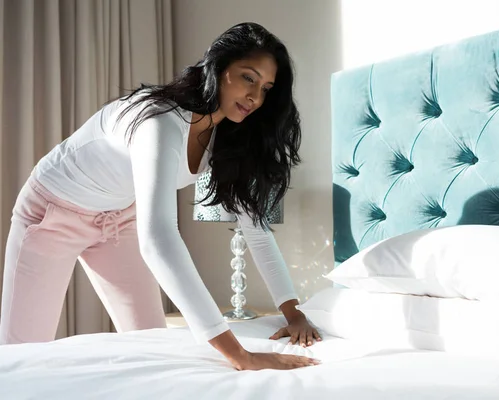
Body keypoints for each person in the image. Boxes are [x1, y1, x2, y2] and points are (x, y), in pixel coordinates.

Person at [0, 22, 321, 371]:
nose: (255, 97)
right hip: (53, 212)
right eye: (248, 78)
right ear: (219, 67)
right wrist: (239, 355)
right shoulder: (160, 121)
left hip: (120, 217)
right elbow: (158, 238)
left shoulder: (225, 137)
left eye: (266, 88)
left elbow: (255, 229)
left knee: (152, 346)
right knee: (20, 356)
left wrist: (293, 313)